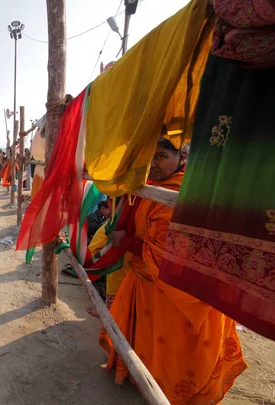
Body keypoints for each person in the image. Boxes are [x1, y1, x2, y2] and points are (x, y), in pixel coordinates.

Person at [99, 138, 246, 403]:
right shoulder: (154, 189)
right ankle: (145, 380)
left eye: (161, 156)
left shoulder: (178, 194)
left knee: (175, 354)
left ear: (181, 157)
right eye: (148, 157)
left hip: (173, 289)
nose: (153, 164)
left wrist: (124, 242)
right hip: (150, 285)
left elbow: (167, 255)